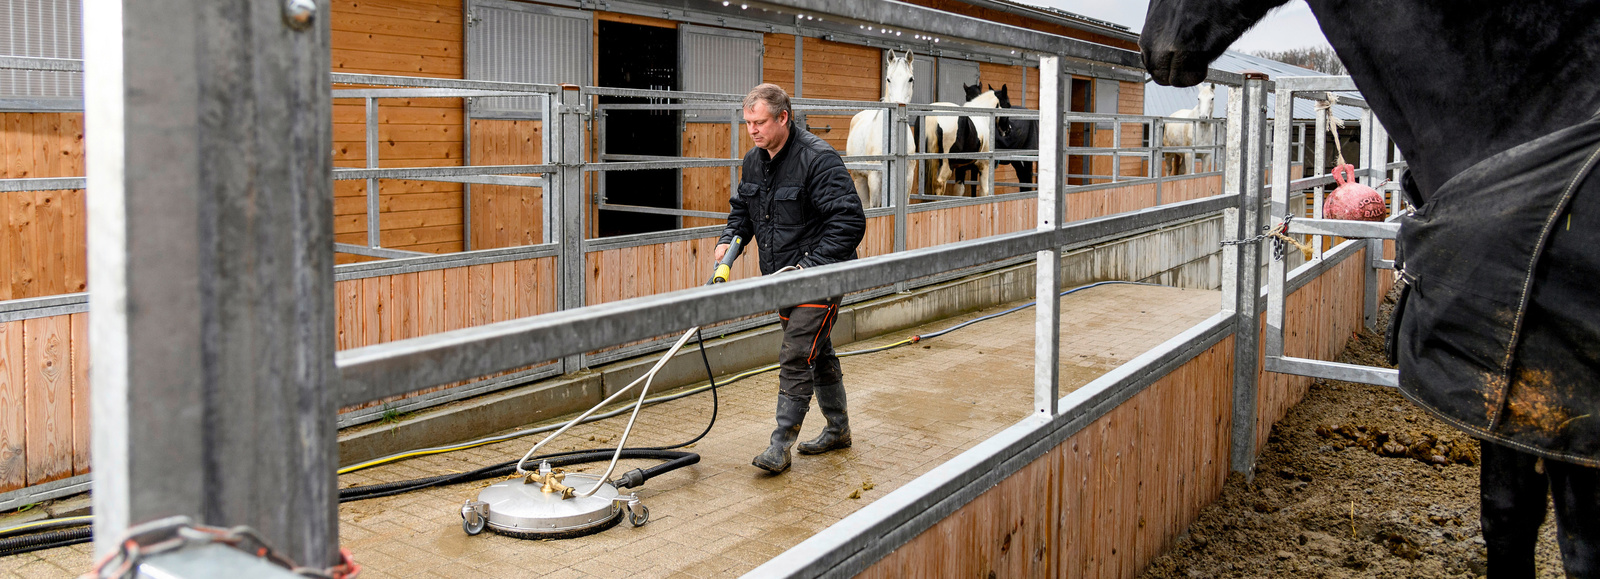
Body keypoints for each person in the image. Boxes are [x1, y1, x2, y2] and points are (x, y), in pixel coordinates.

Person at [716, 83, 865, 474]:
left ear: (783, 117)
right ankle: (838, 428)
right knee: (819, 351)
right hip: (782, 277)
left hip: (820, 275)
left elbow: (848, 222)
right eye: (748, 122)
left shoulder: (819, 160)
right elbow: (742, 212)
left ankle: (780, 445)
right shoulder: (754, 160)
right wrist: (728, 243)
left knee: (797, 351)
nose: (752, 130)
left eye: (760, 122)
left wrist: (810, 265)